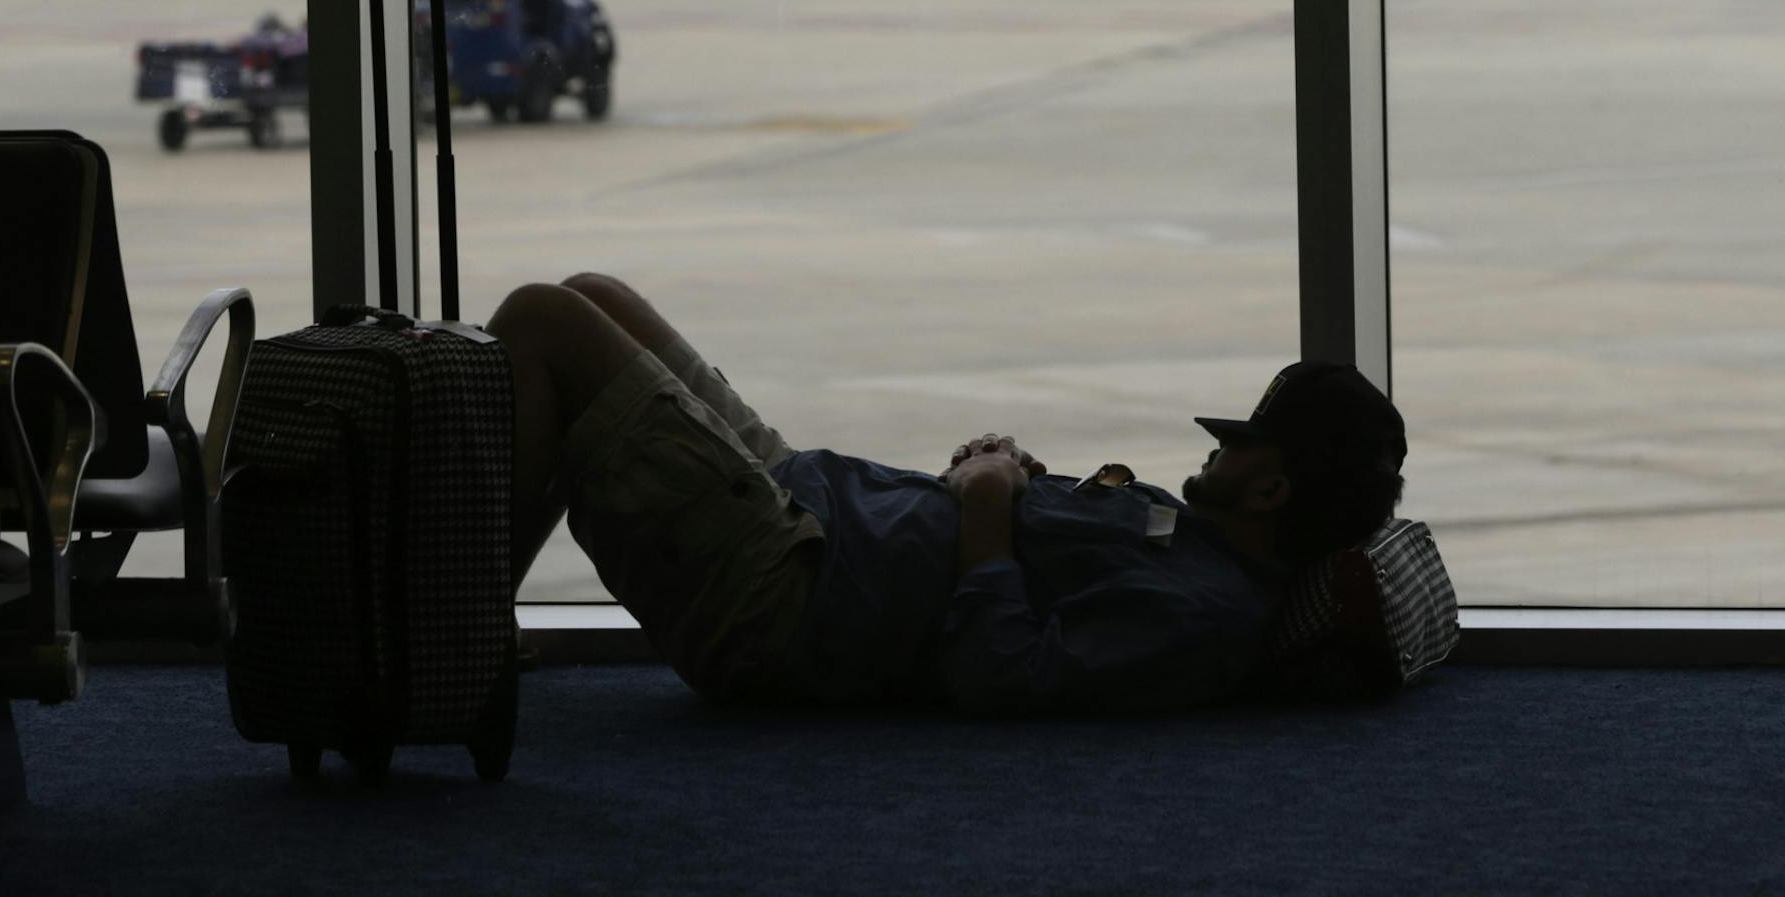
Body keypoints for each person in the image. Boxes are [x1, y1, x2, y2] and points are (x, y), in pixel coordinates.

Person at [490, 273, 1406, 716]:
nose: (1220, 445)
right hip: (812, 497)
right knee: (593, 294)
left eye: (1244, 441)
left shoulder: (1200, 617)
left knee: (540, 319)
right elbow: (1032, 555)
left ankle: (456, 629)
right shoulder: (1200, 544)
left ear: (1274, 487)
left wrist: (982, 504)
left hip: (785, 589)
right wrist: (1003, 476)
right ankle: (475, 620)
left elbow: (1000, 673)